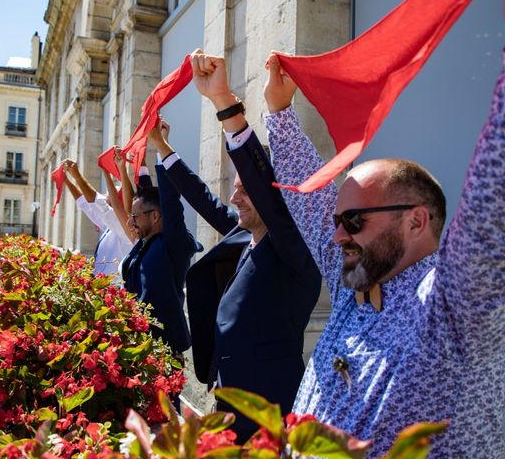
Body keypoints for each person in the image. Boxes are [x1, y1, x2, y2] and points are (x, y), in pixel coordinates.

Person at [264, 51, 505, 457]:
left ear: (416, 221)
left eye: (354, 220)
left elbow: (490, 203)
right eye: (340, 220)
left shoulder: (453, 308)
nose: (338, 235)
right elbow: (312, 204)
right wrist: (279, 111)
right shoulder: (355, 281)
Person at [147, 50, 321, 442]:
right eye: (236, 191)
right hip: (225, 403)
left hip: (266, 413)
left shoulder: (296, 249)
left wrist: (225, 104)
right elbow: (202, 198)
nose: (235, 200)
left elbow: (267, 193)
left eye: (246, 192)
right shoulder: (242, 235)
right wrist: (162, 150)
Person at [120, 151, 199, 357]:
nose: (130, 222)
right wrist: (137, 164)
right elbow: (145, 192)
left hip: (163, 351)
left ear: (155, 216)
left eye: (135, 217)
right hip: (137, 345)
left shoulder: (173, 244)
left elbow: (170, 203)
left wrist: (159, 149)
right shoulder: (145, 243)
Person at [62, 154, 135, 277]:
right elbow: (85, 203)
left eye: (109, 195)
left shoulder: (122, 225)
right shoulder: (109, 225)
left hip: (112, 290)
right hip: (101, 285)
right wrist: (67, 181)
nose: (105, 197)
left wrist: (78, 176)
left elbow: (96, 202)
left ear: (116, 202)